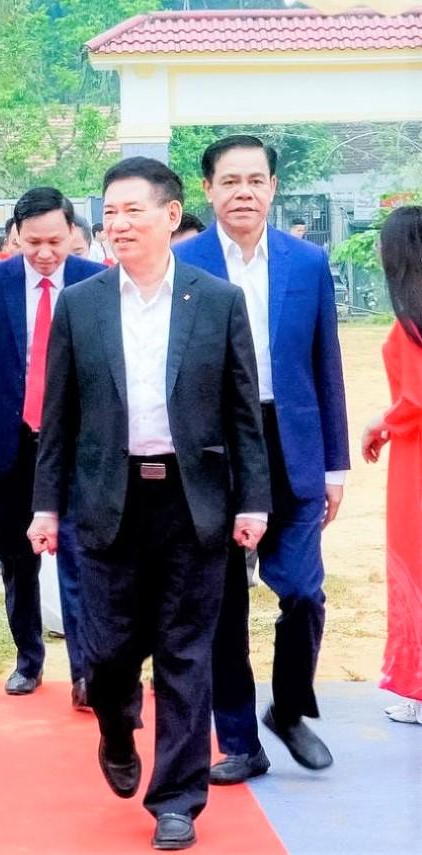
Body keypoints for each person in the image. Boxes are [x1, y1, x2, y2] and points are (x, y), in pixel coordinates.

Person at [28, 157, 270, 851]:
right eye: (108, 212)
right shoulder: (82, 303)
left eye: (132, 210)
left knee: (184, 651)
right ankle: (114, 724)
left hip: (195, 503)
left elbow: (241, 414)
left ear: (170, 216)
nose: (117, 224)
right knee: (105, 653)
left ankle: (176, 797)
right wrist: (46, 507)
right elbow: (59, 417)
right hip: (107, 498)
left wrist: (251, 501)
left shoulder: (216, 300)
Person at [175, 134, 349, 783]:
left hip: (293, 445)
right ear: (208, 190)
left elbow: (324, 366)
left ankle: (289, 706)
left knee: (302, 590)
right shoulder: (182, 262)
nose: (242, 191)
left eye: (255, 179)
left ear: (272, 187)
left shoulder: (305, 262)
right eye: (229, 180)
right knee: (222, 602)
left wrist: (333, 465)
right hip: (214, 450)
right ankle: (240, 739)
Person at [0, 187, 104, 700]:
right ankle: (28, 659)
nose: (44, 252)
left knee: (80, 555)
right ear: (16, 236)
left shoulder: (94, 280)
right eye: (32, 241)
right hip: (9, 442)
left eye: (55, 241)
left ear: (73, 234)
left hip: (78, 446)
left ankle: (85, 670)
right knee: (17, 558)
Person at [360, 205, 422, 724]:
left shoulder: (411, 324)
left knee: (416, 567)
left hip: (416, 465)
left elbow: (416, 399)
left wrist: (379, 421)